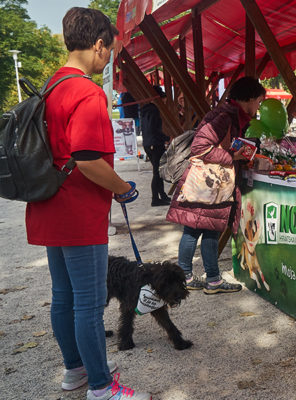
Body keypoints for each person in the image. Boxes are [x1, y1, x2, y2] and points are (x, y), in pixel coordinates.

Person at [25, 7, 150, 400]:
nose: (109, 57)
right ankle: (100, 386)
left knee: (64, 297)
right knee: (89, 304)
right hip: (79, 214)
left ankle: (75, 371)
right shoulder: (87, 92)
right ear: (98, 44)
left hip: (48, 205)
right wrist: (122, 188)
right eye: (110, 49)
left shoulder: (51, 86)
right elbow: (87, 158)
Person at [166, 76, 266, 294]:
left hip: (214, 185)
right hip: (208, 184)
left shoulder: (232, 116)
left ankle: (203, 278)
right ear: (248, 99)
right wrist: (233, 156)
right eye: (258, 101)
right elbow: (199, 148)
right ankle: (201, 278)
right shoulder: (224, 116)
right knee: (196, 230)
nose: (259, 106)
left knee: (204, 230)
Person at [139, 85, 171, 206]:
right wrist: (167, 138)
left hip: (148, 143)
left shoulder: (146, 109)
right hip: (155, 144)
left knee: (158, 171)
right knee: (157, 172)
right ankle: (155, 199)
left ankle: (162, 195)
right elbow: (154, 130)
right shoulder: (154, 110)